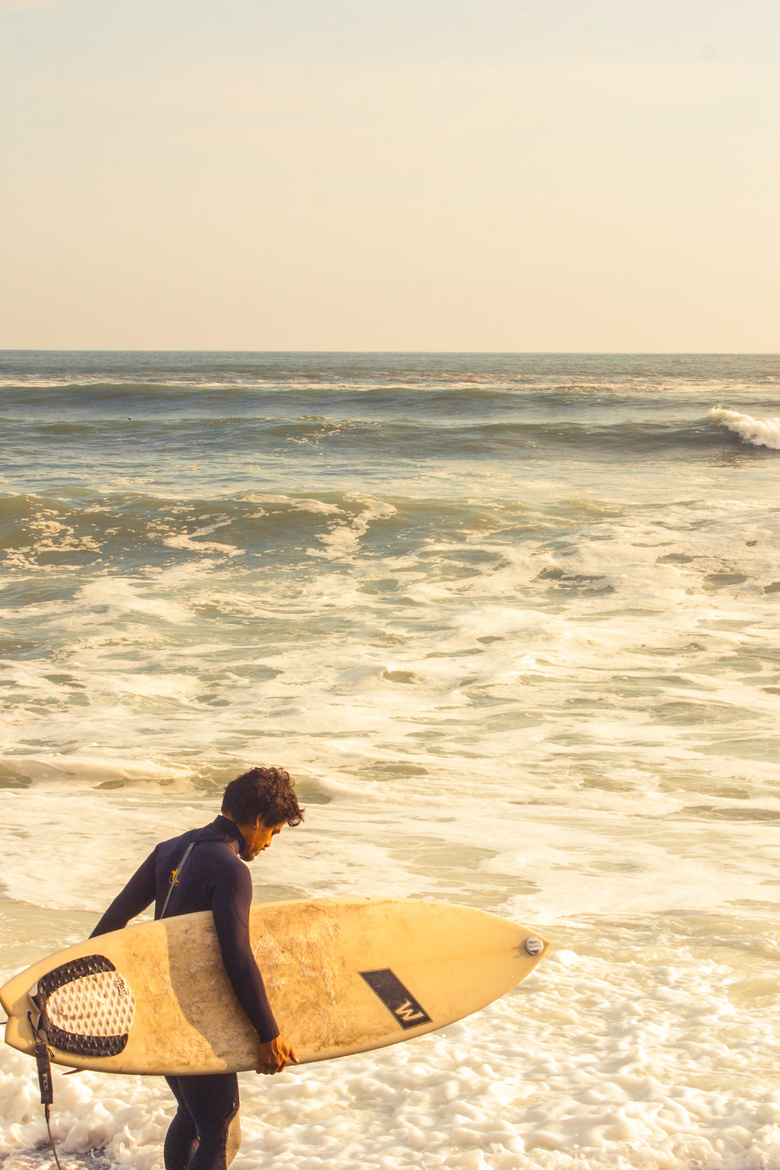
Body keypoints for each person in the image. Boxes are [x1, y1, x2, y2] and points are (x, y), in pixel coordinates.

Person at [90, 766, 304, 1170]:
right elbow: (237, 958)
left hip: (160, 1011)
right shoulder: (231, 869)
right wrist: (268, 1033)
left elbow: (106, 931)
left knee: (193, 1117)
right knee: (217, 1130)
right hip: (199, 1018)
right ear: (258, 820)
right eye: (273, 832)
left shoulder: (169, 849)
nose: (270, 843)